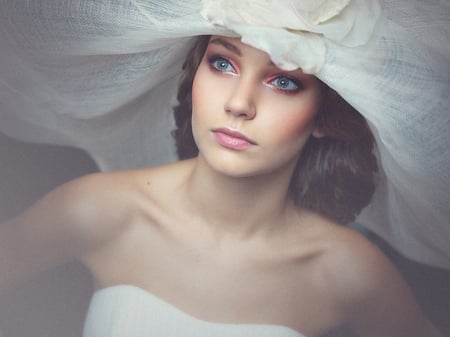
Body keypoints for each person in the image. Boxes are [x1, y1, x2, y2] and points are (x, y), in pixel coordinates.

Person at [0, 31, 442, 336]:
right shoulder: (102, 210)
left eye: (284, 81)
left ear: (327, 116)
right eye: (222, 63)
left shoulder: (347, 271)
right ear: (194, 73)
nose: (239, 103)